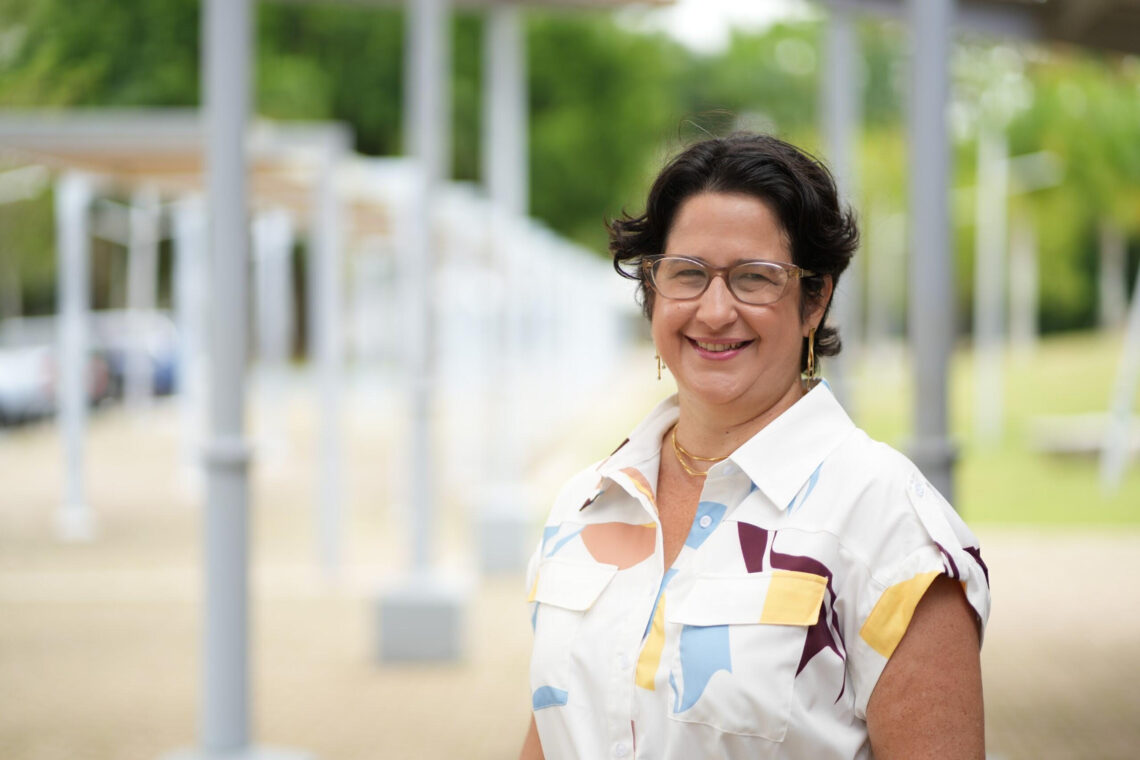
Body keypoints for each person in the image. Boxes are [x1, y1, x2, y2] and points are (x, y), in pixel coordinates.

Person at [518, 132, 989, 760]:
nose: (714, 312)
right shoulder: (589, 504)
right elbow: (554, 731)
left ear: (814, 299)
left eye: (753, 279)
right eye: (686, 274)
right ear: (653, 290)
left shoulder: (885, 521)